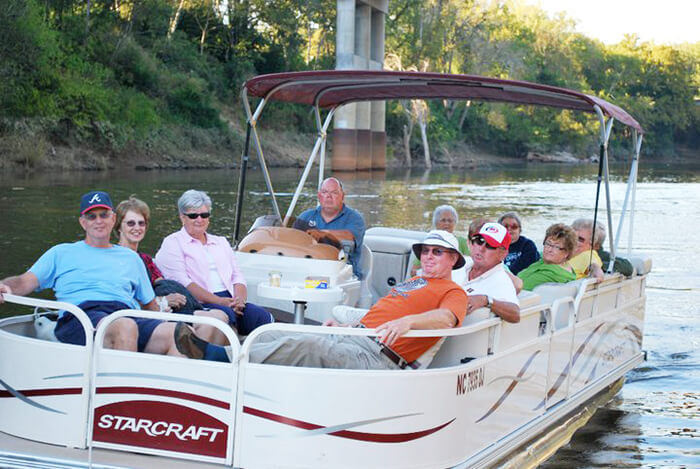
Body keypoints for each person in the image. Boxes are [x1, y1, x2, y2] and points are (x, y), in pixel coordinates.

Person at [232, 230, 468, 369]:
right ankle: (223, 352)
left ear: (453, 259)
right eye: (425, 251)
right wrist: (347, 327)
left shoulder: (453, 291)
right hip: (356, 336)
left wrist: (408, 322)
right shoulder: (412, 283)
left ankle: (220, 359)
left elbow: (446, 318)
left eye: (437, 252)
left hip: (377, 357)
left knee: (309, 345)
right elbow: (378, 318)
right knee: (275, 332)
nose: (428, 257)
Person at [0, 191, 188, 356]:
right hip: (81, 317)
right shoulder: (61, 253)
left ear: (113, 219)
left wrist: (165, 315)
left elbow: (149, 306)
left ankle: (163, 393)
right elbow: (24, 281)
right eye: (92, 216)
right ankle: (118, 392)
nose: (99, 221)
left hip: (125, 314)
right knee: (124, 326)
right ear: (83, 222)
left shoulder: (131, 259)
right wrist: (6, 287)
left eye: (104, 215)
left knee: (178, 334)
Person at [155, 189, 273, 335]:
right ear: (182, 217)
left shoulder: (220, 242)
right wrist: (220, 301)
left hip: (229, 298)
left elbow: (237, 276)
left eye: (204, 215)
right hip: (200, 301)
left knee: (260, 316)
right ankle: (231, 352)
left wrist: (240, 301)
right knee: (226, 315)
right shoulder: (173, 243)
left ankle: (264, 353)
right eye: (193, 215)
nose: (200, 219)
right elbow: (183, 283)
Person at [114, 196, 228, 344]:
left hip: (168, 307)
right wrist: (163, 301)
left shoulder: (145, 259)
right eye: (130, 223)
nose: (137, 228)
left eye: (141, 223)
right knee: (211, 323)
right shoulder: (117, 258)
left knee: (219, 316)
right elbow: (124, 297)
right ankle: (196, 360)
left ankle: (204, 361)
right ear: (118, 227)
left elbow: (161, 283)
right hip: (144, 314)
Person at [293, 177, 366, 278]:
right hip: (308, 271)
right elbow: (291, 242)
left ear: (342, 196)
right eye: (324, 192)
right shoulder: (305, 217)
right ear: (319, 196)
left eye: (334, 193)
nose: (328, 196)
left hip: (346, 275)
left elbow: (349, 236)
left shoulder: (354, 218)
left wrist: (323, 233)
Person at [462, 222, 521, 323]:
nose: (481, 248)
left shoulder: (501, 280)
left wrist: (486, 300)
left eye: (490, 245)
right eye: (479, 241)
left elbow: (515, 314)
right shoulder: (459, 263)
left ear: (503, 254)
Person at [411, 205, 469, 276]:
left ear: (455, 223)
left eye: (450, 220)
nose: (447, 223)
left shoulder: (462, 242)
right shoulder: (429, 242)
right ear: (436, 223)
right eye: (443, 220)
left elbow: (470, 266)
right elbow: (414, 271)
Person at [517, 224, 577, 290]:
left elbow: (518, 289)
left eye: (556, 247)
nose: (550, 249)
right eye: (548, 243)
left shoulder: (549, 274)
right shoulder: (565, 266)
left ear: (567, 252)